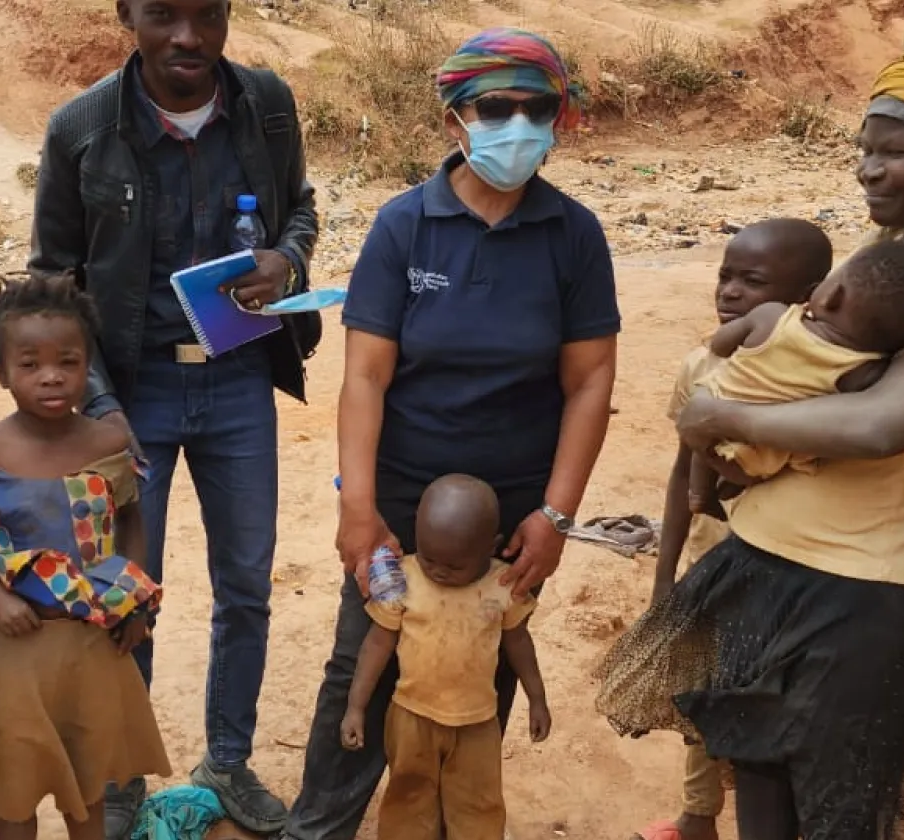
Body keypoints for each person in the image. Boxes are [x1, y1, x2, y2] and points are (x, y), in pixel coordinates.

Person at [596, 2, 904, 838]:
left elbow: (878, 427)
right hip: (765, 565)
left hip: (858, 596)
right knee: (755, 775)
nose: (867, 168)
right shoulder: (884, 264)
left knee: (837, 810)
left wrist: (717, 410)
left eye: (894, 150)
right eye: (866, 146)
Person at [286, 27, 619, 840]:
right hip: (402, 508)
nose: (516, 126)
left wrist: (558, 515)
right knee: (364, 654)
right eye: (493, 108)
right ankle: (321, 824)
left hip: (510, 517)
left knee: (485, 661)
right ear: (454, 120)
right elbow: (365, 377)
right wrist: (358, 511)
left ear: (558, 118)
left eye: (535, 107)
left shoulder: (574, 237)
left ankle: (445, 824)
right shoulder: (406, 227)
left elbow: (589, 382)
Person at [26, 0, 321, 833]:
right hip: (134, 393)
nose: (185, 37)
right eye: (162, 14)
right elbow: (53, 277)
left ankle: (227, 763)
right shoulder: (80, 128)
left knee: (247, 585)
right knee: (126, 592)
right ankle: (121, 778)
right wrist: (103, 410)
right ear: (127, 14)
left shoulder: (265, 105)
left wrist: (285, 258)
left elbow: (299, 206)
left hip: (237, 385)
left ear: (226, 15)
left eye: (205, 14)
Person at [0, 274, 173, 840]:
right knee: (15, 789)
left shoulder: (107, 445)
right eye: (30, 364)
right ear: (0, 373)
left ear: (88, 365)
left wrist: (135, 604)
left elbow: (132, 518)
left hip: (96, 645)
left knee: (89, 788)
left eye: (68, 362)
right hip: (20, 649)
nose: (51, 377)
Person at [641, 218, 830, 840]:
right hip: (714, 569)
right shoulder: (701, 365)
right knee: (703, 694)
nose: (730, 292)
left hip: (788, 576)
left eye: (754, 281)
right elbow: (678, 475)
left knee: (774, 706)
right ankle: (698, 816)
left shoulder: (819, 378)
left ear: (810, 293)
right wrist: (666, 578)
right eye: (725, 275)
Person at [339, 474, 550, 840]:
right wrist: (355, 707)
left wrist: (537, 699)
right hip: (410, 716)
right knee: (408, 796)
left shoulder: (503, 586)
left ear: (491, 547)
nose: (437, 570)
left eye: (454, 567)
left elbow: (519, 643)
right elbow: (376, 644)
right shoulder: (404, 578)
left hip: (477, 722)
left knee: (478, 802)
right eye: (429, 557)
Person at [684, 239, 904, 507]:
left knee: (704, 430)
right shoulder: (863, 371)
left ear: (831, 295)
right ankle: (723, 487)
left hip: (710, 419)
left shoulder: (772, 317)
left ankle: (699, 493)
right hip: (761, 459)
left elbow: (721, 345)